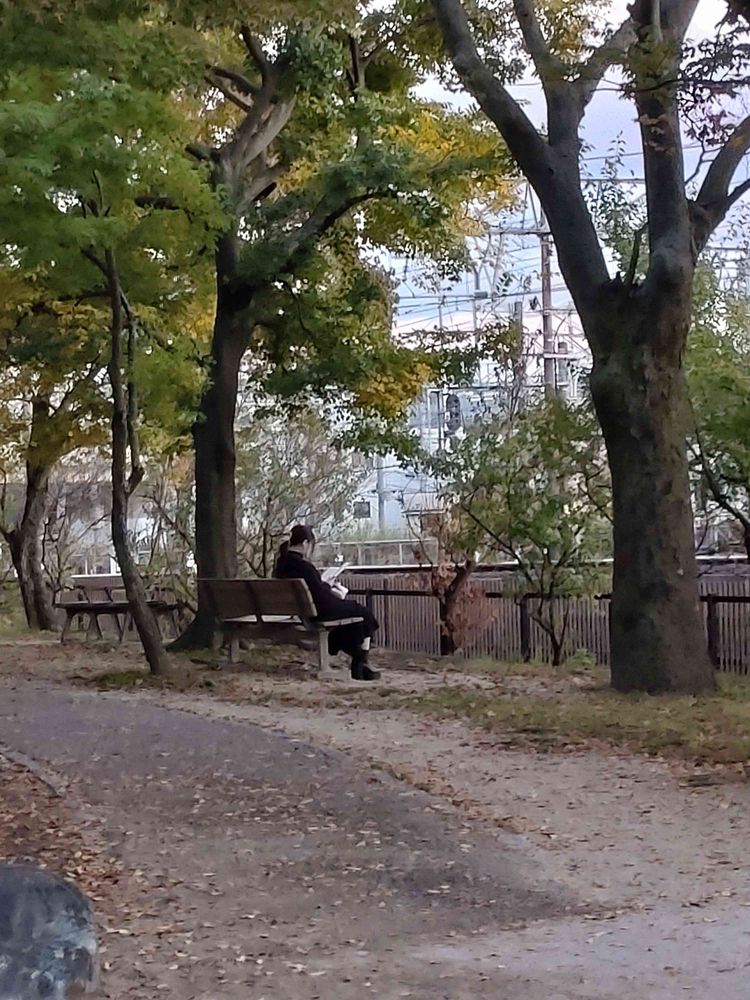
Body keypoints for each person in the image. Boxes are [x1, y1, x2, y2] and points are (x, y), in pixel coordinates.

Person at [275, 525, 380, 680]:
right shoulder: (305, 567)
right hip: (319, 611)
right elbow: (321, 596)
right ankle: (361, 660)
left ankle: (359, 660)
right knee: (363, 612)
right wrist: (332, 589)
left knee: (354, 618)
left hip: (303, 611)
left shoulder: (281, 565)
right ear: (305, 543)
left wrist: (324, 586)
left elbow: (313, 590)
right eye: (311, 546)